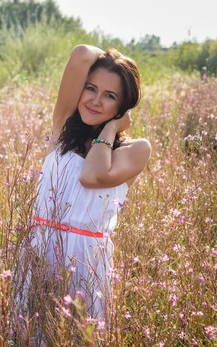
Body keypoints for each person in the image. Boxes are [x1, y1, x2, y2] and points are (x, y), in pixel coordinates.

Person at [28, 45, 151, 319]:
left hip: (86, 263)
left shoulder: (135, 150)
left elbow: (91, 176)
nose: (95, 100)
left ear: (123, 106)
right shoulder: (62, 129)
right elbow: (82, 53)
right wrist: (111, 59)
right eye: (91, 88)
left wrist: (110, 128)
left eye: (110, 95)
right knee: (29, 346)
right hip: (39, 251)